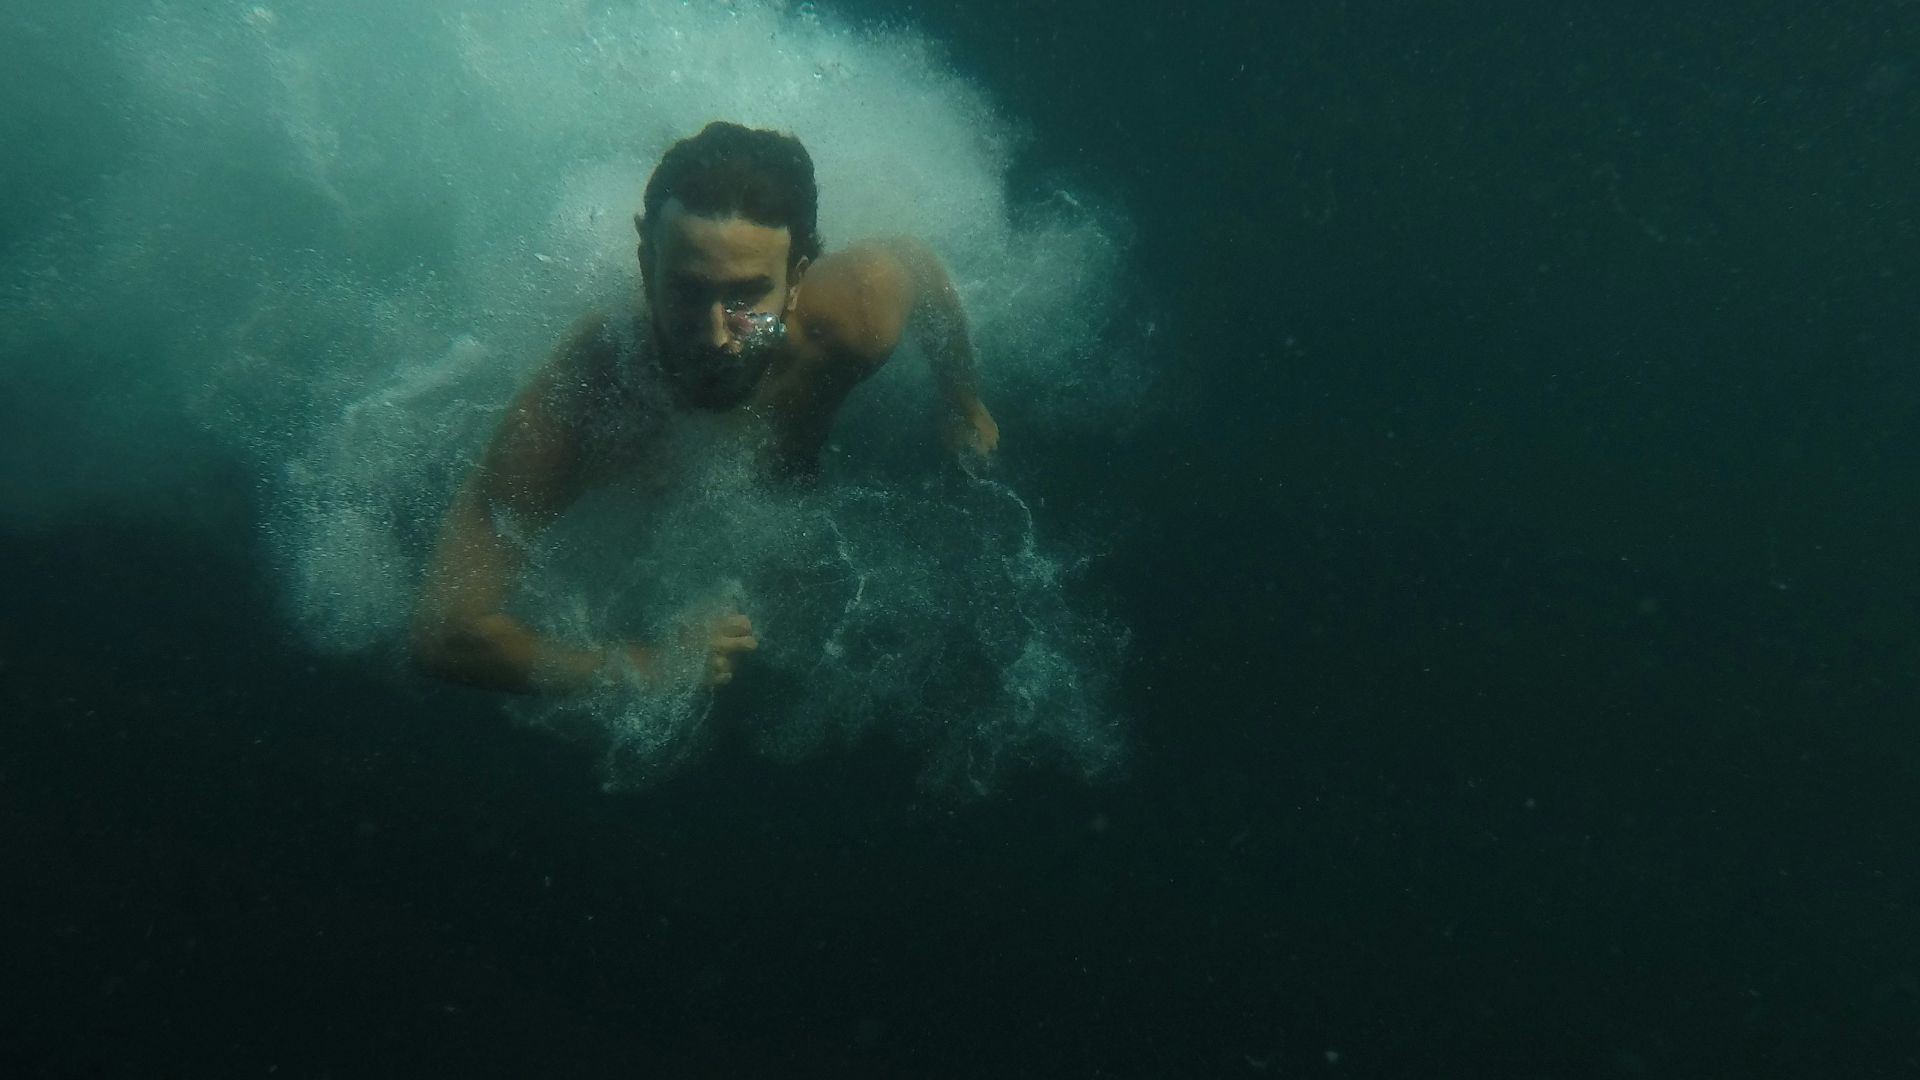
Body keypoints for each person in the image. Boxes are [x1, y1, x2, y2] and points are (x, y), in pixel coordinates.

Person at [409, 121, 998, 696]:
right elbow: (446, 634)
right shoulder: (582, 399)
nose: (715, 336)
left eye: (745, 295)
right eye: (687, 291)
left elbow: (918, 267)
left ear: (795, 281)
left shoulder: (853, 319)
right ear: (646, 268)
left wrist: (960, 396)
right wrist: (643, 667)